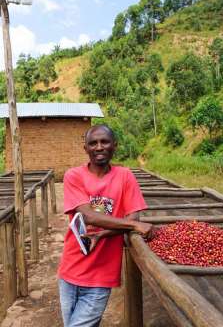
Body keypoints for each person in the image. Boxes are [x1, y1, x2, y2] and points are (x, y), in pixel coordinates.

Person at [57, 124, 154, 327]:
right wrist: (132, 226)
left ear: (115, 146)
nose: (99, 147)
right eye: (93, 143)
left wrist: (101, 236)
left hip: (101, 274)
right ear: (85, 148)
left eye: (104, 142)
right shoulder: (74, 176)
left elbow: (133, 218)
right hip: (70, 269)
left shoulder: (125, 176)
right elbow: (88, 216)